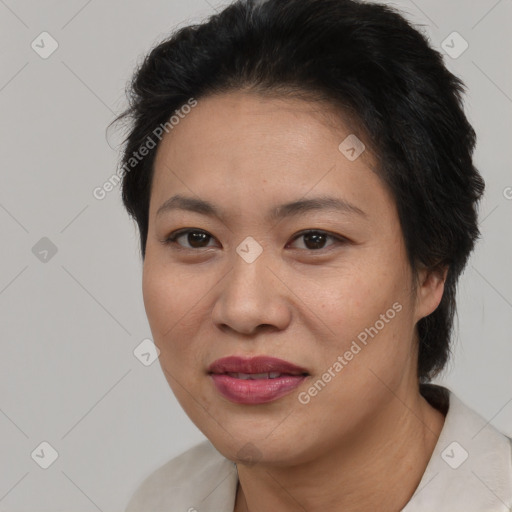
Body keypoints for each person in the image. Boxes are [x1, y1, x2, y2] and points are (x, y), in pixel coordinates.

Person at [115, 0, 512, 510]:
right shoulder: (161, 500)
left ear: (431, 270)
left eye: (314, 239)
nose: (244, 309)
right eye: (196, 238)